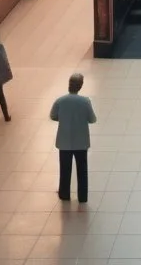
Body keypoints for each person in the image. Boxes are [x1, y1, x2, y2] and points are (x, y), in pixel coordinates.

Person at [50, 72, 97, 203]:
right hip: (81, 142)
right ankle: (82, 196)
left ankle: (64, 194)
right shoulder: (85, 101)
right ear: (80, 86)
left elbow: (53, 116)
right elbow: (92, 119)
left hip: (64, 142)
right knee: (82, 170)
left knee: (65, 169)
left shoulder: (60, 100)